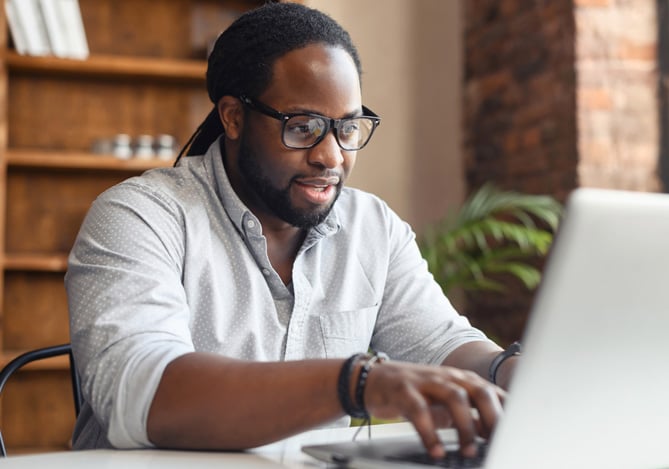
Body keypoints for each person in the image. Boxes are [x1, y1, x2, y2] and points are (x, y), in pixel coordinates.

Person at [65, 2, 518, 461]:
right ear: (233, 118)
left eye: (347, 128)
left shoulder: (372, 228)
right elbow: (141, 394)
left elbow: (440, 344)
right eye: (303, 127)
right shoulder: (139, 216)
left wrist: (508, 370)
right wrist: (356, 384)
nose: (333, 156)